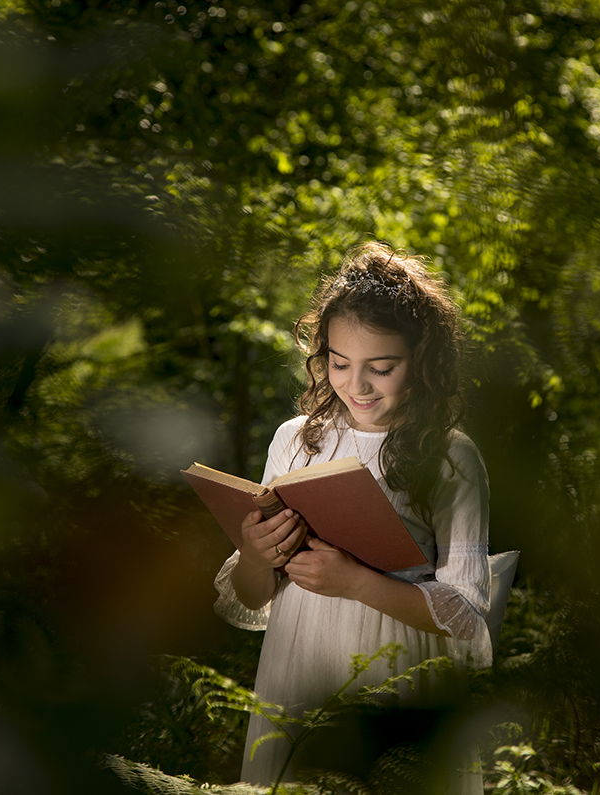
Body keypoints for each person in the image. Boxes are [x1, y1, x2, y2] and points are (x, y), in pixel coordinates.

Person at [213, 242, 491, 793]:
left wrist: (356, 583)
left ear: (424, 361)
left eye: (381, 368)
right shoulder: (295, 442)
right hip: (298, 664)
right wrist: (254, 554)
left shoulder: (450, 456)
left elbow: (466, 614)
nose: (357, 385)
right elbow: (247, 599)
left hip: (399, 673)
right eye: (340, 364)